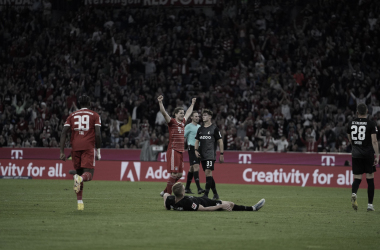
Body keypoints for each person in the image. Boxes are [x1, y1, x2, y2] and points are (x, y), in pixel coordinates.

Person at [59, 95, 102, 211]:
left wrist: (62, 152)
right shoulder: (95, 115)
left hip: (75, 147)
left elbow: (63, 133)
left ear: (79, 103)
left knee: (78, 174)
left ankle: (80, 203)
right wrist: (98, 150)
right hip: (88, 146)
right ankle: (80, 179)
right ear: (89, 103)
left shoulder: (71, 115)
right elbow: (97, 134)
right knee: (88, 175)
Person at [158, 95, 196, 197]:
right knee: (174, 174)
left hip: (180, 151)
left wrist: (192, 104)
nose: (182, 115)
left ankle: (165, 191)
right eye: (180, 113)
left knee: (179, 175)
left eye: (182, 113)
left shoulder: (183, 122)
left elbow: (188, 113)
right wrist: (160, 103)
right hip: (174, 150)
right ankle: (168, 195)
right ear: (175, 114)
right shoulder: (172, 122)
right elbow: (164, 113)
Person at [347, 103, 379, 212]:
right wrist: (377, 155)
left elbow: (350, 139)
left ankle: (354, 193)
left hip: (356, 154)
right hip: (368, 154)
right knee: (370, 179)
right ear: (367, 112)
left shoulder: (351, 123)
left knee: (357, 178)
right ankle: (370, 205)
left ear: (357, 112)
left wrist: (356, 145)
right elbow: (374, 141)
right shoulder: (371, 124)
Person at [163, 182, 265, 212]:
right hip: (207, 202)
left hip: (203, 200)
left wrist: (167, 206)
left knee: (228, 203)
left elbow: (166, 195)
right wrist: (220, 206)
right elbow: (203, 209)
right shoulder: (187, 203)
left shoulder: (171, 200)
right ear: (183, 193)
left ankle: (252, 208)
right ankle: (252, 208)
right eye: (184, 188)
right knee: (230, 204)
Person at [195, 109, 224, 200]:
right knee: (208, 175)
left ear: (210, 117)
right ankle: (215, 194)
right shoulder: (200, 129)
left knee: (208, 172)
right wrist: (196, 150)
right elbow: (197, 141)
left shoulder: (214, 128)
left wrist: (222, 154)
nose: (203, 117)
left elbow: (220, 141)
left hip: (210, 154)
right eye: (203, 115)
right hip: (202, 155)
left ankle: (206, 195)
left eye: (205, 115)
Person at [184, 111, 205, 194]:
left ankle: (187, 188)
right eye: (195, 116)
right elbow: (183, 136)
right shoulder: (188, 126)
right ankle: (199, 188)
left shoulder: (200, 127)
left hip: (199, 148)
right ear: (191, 117)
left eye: (198, 116)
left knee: (192, 168)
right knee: (196, 167)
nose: (197, 117)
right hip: (192, 148)